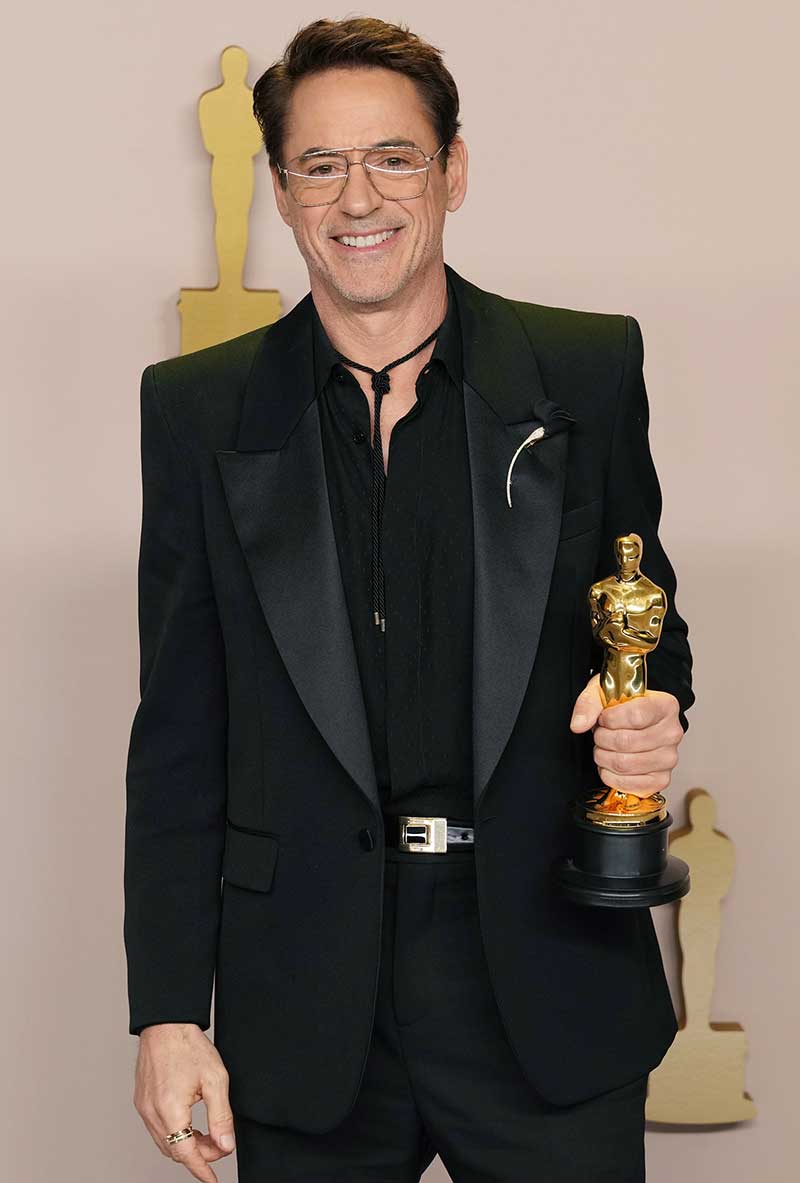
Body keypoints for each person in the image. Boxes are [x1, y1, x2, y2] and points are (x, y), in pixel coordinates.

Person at [124, 16, 693, 1182]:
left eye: (393, 157)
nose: (357, 197)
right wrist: (169, 1010)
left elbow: (645, 626)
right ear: (280, 193)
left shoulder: (582, 370)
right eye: (320, 166)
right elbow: (178, 731)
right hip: (304, 995)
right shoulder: (197, 409)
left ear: (453, 171)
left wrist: (653, 708)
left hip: (543, 966)